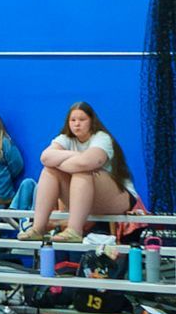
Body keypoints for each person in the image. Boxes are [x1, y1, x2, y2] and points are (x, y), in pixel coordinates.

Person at [18, 101, 139, 243]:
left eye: (82, 120)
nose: (77, 124)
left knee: (82, 171)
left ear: (92, 121)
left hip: (120, 198)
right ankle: (38, 228)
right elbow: (45, 157)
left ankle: (74, 230)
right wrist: (77, 156)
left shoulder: (102, 138)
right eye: (73, 120)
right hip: (85, 197)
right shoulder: (65, 139)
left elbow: (86, 163)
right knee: (49, 171)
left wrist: (62, 161)